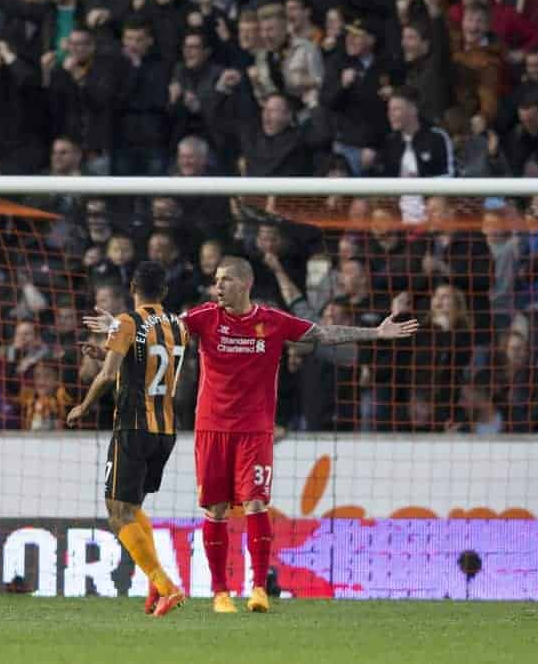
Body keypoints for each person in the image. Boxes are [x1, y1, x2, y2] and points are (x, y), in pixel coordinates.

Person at [91, 256, 417, 613]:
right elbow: (159, 332)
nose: (218, 287)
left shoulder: (272, 321)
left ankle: (259, 589)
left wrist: (375, 332)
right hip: (211, 428)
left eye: (225, 280)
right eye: (216, 280)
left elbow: (322, 333)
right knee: (215, 510)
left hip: (255, 431)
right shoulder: (203, 317)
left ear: (245, 284)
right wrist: (117, 329)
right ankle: (220, 594)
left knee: (256, 504)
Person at [67, 261, 188, 617]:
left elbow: (106, 377)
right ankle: (155, 590)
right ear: (163, 292)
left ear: (132, 287)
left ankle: (167, 587)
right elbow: (150, 361)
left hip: (133, 427)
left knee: (117, 513)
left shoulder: (127, 322)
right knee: (132, 508)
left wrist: (84, 405)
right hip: (165, 429)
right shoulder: (179, 325)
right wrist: (109, 351)